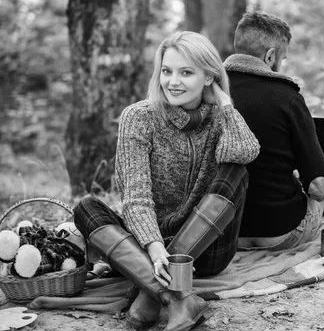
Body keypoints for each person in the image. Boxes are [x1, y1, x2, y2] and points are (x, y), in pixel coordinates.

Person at [73, 32, 260, 331]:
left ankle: (153, 291)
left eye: (186, 72)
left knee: (236, 170)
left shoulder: (218, 120)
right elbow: (135, 198)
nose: (173, 81)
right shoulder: (139, 117)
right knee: (86, 208)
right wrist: (154, 247)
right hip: (148, 252)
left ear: (209, 77)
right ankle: (175, 297)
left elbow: (245, 151)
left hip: (205, 251)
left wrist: (225, 104)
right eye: (167, 71)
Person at [224, 11, 324, 251]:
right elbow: (319, 180)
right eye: (283, 58)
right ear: (270, 56)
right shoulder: (286, 97)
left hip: (223, 232)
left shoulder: (208, 91)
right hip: (281, 232)